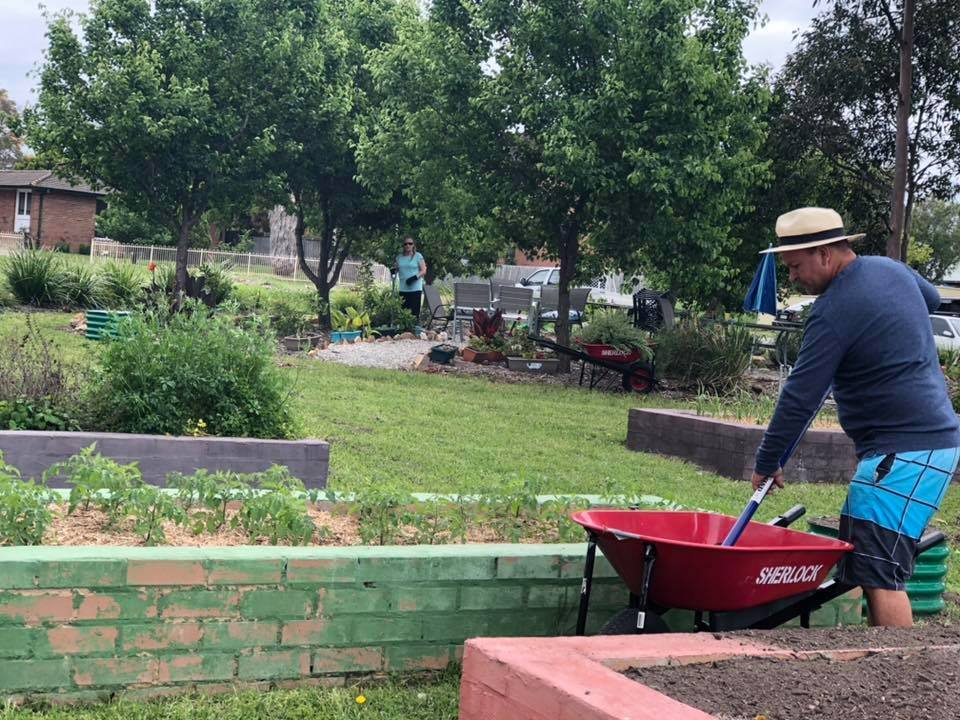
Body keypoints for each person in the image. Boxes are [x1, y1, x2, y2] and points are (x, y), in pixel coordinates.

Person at [751, 206, 960, 627]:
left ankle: (893, 671)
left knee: (879, 570)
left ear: (825, 254)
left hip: (906, 450)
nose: (791, 277)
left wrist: (766, 461)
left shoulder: (834, 309)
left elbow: (800, 397)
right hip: (918, 444)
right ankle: (882, 663)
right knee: (868, 555)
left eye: (795, 266)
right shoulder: (890, 269)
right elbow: (933, 298)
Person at [396, 236, 426, 320]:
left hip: (415, 289)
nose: (408, 245)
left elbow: (423, 270)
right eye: (405, 244)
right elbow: (396, 269)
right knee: (403, 313)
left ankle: (413, 331)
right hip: (403, 288)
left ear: (413, 245)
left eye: (410, 243)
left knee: (414, 313)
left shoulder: (418, 256)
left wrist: (414, 278)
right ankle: (404, 331)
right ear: (403, 246)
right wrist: (393, 270)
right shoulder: (399, 257)